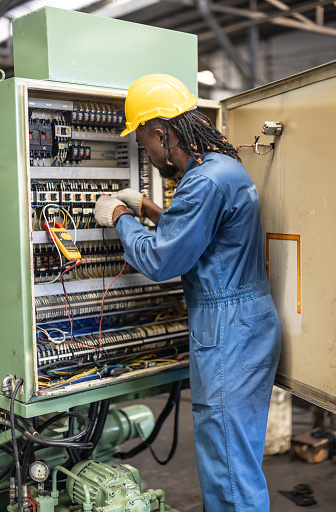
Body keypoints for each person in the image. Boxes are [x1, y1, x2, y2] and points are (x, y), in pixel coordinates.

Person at [95, 74, 281, 512]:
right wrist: (150, 209)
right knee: (240, 458)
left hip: (227, 329)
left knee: (229, 470)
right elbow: (202, 234)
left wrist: (120, 217)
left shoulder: (202, 182)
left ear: (163, 134)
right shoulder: (224, 169)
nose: (149, 154)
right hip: (251, 320)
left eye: (146, 145)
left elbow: (163, 260)